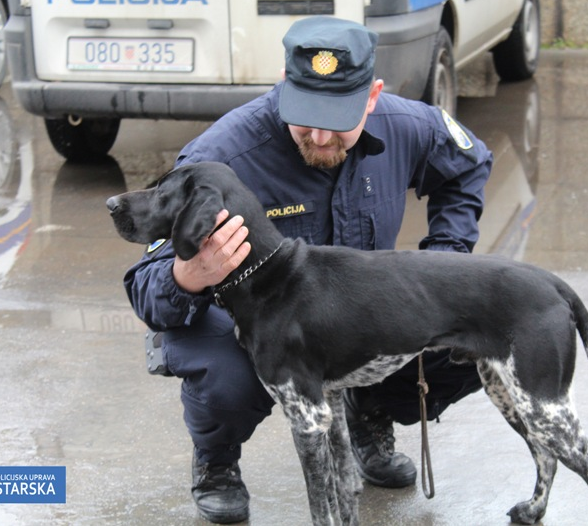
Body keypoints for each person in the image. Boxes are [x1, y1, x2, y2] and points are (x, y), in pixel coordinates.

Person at [123, 16, 491, 524]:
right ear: (283, 84)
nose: (319, 135)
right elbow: (146, 287)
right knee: (230, 373)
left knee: (478, 327)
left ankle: (371, 414)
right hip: (246, 317)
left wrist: (446, 258)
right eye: (306, 115)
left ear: (372, 96)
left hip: (348, 316)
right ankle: (217, 460)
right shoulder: (224, 154)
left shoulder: (410, 124)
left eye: (337, 118)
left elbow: (469, 164)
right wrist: (192, 274)